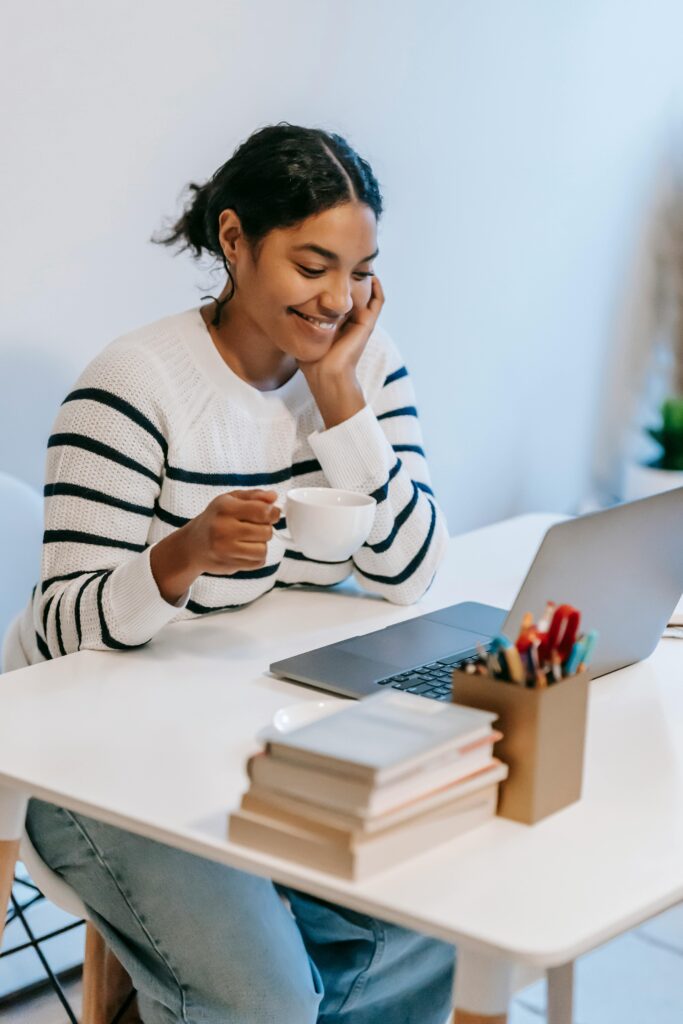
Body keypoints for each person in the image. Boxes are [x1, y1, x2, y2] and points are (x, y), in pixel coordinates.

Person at [4, 124, 454, 1023]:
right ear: (235, 241)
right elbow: (59, 631)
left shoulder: (363, 365)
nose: (338, 299)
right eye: (312, 264)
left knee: (426, 925)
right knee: (264, 1003)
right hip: (80, 755)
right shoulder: (132, 386)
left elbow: (408, 567)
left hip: (243, 729)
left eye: (359, 271)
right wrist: (183, 556)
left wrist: (337, 401)